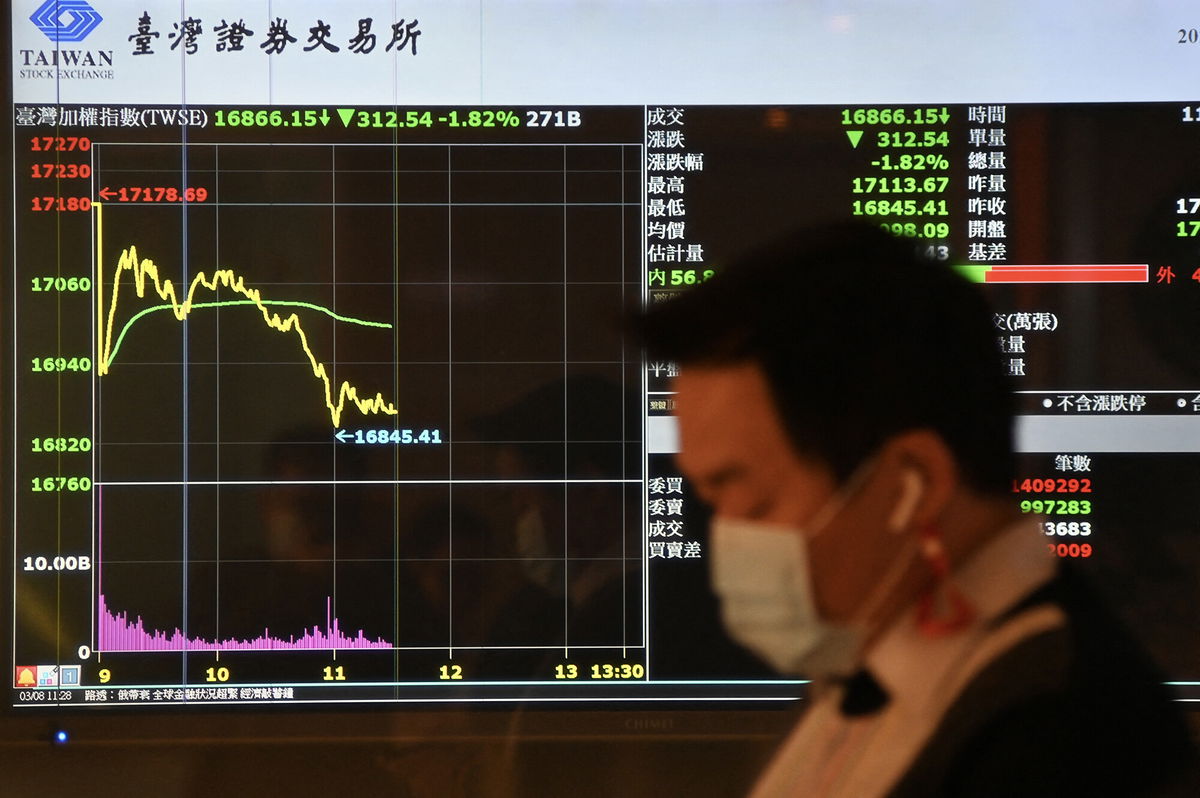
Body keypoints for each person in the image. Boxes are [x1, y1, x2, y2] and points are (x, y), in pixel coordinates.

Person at [637, 224, 1197, 797]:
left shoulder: (1059, 731)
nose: (724, 540)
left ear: (916, 482)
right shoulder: (874, 669)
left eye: (749, 500)